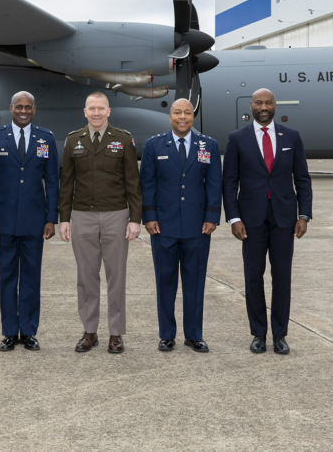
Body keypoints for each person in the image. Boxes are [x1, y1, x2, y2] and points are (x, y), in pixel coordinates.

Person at [222, 88, 312, 355]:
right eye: (259, 102)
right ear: (250, 106)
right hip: (250, 220)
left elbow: (303, 179)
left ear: (275, 106)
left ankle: (280, 334)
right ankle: (258, 333)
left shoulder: (291, 137)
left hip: (285, 219)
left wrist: (304, 215)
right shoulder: (237, 138)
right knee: (253, 276)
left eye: (268, 102)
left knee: (282, 277)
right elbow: (230, 182)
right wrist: (234, 217)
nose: (264, 106)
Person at [58, 91, 142, 354]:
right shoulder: (73, 141)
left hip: (116, 215)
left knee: (116, 277)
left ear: (109, 111)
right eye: (91, 108)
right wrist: (64, 218)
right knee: (86, 277)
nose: (96, 113)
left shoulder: (123, 139)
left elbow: (133, 182)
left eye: (101, 108)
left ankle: (115, 334)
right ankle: (89, 331)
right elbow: (66, 183)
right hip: (82, 216)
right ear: (85, 112)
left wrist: (135, 219)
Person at [139, 98, 221, 352]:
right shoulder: (154, 145)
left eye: (187, 112)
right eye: (177, 112)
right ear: (170, 116)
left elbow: (214, 184)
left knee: (195, 282)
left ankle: (194, 334)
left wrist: (211, 216)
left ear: (193, 116)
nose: (182, 117)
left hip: (198, 227)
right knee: (165, 282)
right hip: (163, 226)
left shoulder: (208, 145)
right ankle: (167, 334)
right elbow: (147, 183)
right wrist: (149, 216)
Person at [0, 91, 59, 352]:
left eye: (28, 107)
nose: (23, 111)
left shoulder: (45, 138)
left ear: (34, 110)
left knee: (31, 277)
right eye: (19, 107)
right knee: (6, 277)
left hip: (35, 221)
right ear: (11, 108)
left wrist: (51, 218)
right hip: (2, 222)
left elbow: (52, 181)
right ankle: (8, 333)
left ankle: (28, 331)